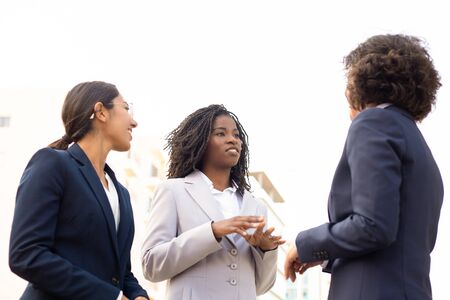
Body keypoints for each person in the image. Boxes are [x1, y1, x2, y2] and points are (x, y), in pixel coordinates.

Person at [284, 34, 443, 300]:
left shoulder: (373, 123)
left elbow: (373, 226)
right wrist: (328, 254)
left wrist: (305, 244)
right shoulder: (417, 144)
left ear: (360, 79)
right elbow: (399, 243)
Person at [9, 81, 149, 300]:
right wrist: (111, 297)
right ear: (101, 111)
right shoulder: (52, 163)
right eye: (126, 108)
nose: (134, 122)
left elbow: (120, 272)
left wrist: (137, 294)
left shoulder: (121, 192)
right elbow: (26, 254)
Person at [141, 104, 284, 300]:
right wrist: (212, 231)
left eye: (236, 135)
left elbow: (261, 286)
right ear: (200, 141)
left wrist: (266, 250)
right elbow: (151, 265)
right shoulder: (174, 190)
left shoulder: (255, 205)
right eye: (221, 133)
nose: (232, 139)